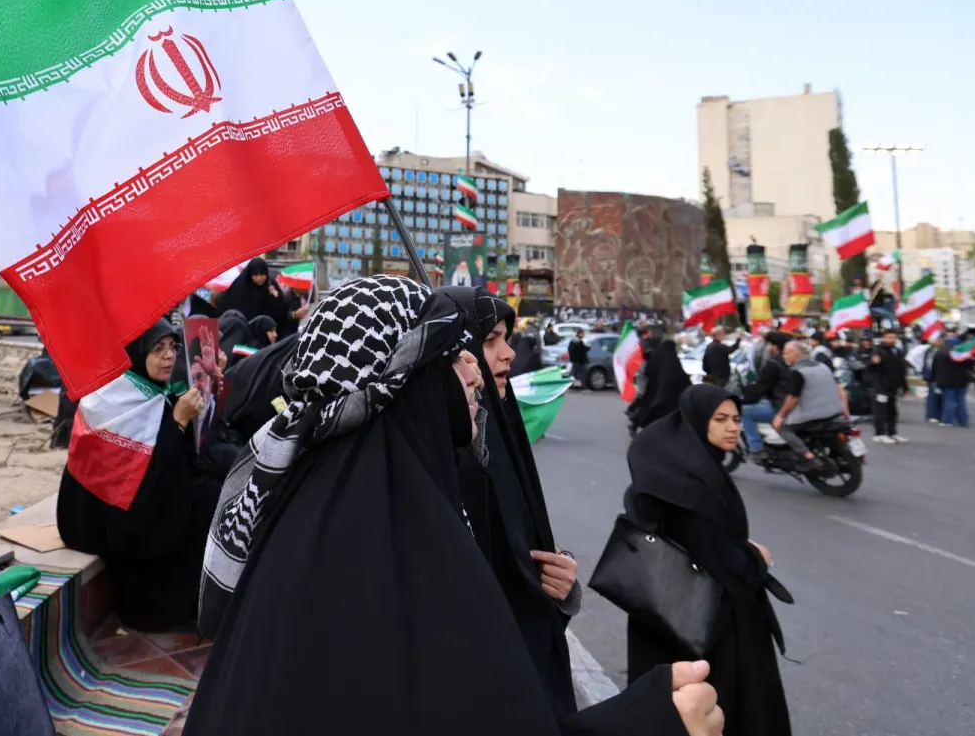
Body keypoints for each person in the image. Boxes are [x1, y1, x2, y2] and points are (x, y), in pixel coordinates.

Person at [189, 277, 723, 736]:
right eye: (452, 351)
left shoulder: (336, 499)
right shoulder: (393, 539)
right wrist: (656, 721)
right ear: (400, 380)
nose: (473, 366)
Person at [625, 385, 794, 736]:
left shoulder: (680, 468)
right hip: (710, 622)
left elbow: (698, 536)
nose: (732, 427)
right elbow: (718, 556)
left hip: (675, 614)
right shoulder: (694, 481)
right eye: (720, 419)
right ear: (698, 421)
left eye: (736, 419)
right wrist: (753, 556)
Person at [451, 288, 584, 717]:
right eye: (489, 341)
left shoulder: (502, 429)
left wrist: (557, 580)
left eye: (506, 338)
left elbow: (521, 538)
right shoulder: (452, 452)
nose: (508, 353)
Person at [58, 321, 235, 632]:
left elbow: (182, 450)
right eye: (158, 348)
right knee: (197, 504)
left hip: (146, 496)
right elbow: (139, 485)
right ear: (137, 353)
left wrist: (209, 384)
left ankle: (202, 599)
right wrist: (178, 420)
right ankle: (166, 610)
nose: (168, 357)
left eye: (173, 348)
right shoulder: (110, 401)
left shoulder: (154, 390)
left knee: (212, 493)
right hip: (113, 519)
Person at [738, 333, 790, 452]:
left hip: (780, 405)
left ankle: (756, 448)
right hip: (786, 402)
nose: (766, 347)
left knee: (744, 411)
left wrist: (743, 400)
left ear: (775, 346)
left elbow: (761, 387)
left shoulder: (774, 364)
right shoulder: (788, 361)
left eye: (768, 345)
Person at [629, 337, 689, 432]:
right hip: (665, 392)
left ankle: (636, 423)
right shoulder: (673, 360)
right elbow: (681, 377)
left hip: (654, 389)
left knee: (651, 409)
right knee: (656, 411)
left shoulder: (657, 356)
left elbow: (648, 371)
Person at [865, 329, 909, 444]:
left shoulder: (897, 351)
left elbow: (901, 369)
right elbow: (869, 367)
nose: (892, 340)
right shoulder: (877, 350)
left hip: (893, 386)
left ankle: (892, 432)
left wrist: (904, 386)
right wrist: (873, 362)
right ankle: (879, 433)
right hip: (880, 386)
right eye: (889, 337)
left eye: (894, 337)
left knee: (892, 410)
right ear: (884, 338)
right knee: (880, 410)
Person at [931, 335, 973, 428]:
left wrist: (934, 379)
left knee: (948, 400)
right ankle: (963, 421)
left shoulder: (940, 353)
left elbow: (935, 367)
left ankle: (947, 420)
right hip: (961, 381)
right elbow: (969, 366)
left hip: (946, 381)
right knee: (961, 401)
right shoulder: (962, 353)